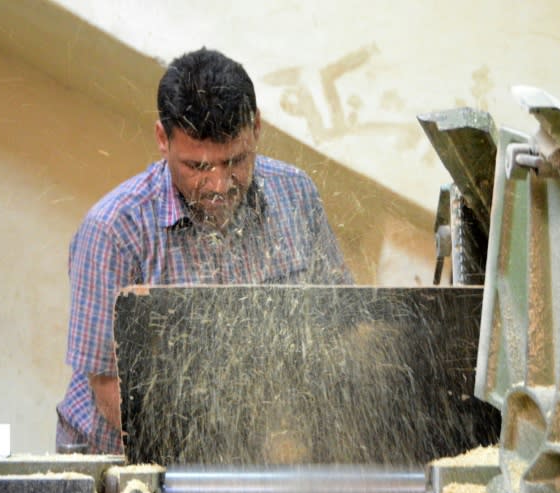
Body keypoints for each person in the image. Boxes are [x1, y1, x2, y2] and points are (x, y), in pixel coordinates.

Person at [56, 48, 353, 454]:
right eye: (197, 167)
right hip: (130, 459)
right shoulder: (114, 230)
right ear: (163, 140)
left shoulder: (296, 195)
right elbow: (108, 386)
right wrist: (210, 460)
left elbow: (339, 323)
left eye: (236, 161)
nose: (219, 184)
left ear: (257, 128)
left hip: (258, 453)